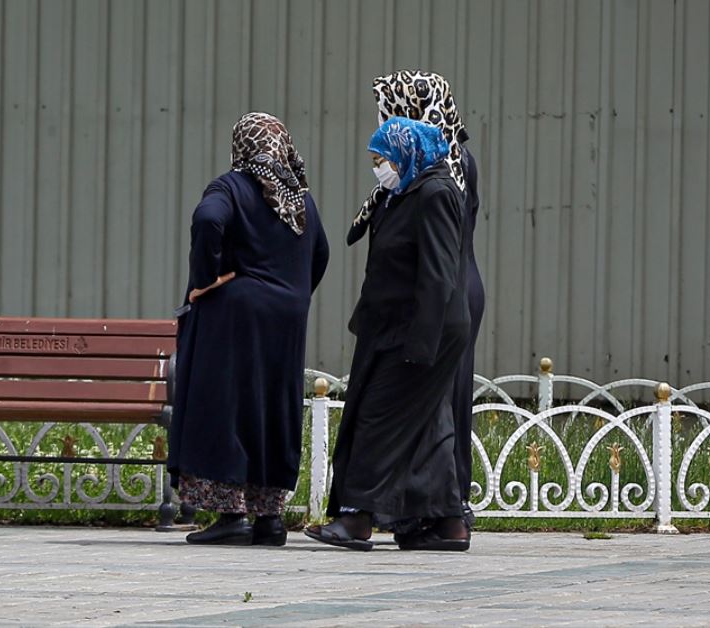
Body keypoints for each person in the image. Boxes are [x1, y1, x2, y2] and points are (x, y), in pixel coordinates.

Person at [307, 116, 470, 552]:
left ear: (405, 152)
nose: (379, 167)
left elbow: (438, 275)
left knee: (377, 417)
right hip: (392, 326)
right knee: (427, 423)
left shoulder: (435, 193)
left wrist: (422, 343)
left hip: (418, 329)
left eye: (382, 159)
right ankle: (446, 523)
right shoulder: (404, 192)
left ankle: (357, 518)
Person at [167, 112, 330, 546]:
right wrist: (293, 294)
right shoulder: (300, 198)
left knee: (227, 407)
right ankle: (269, 519)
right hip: (287, 321)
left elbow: (208, 221)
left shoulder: (231, 187)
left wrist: (206, 279)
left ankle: (231, 513)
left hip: (235, 321)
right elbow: (322, 252)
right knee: (272, 408)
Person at [348, 70, 485, 530]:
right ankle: (428, 512)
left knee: (425, 401)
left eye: (392, 108)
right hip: (431, 292)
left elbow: (438, 256)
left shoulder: (442, 169)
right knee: (425, 409)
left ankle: (427, 507)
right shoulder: (412, 170)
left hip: (438, 296)